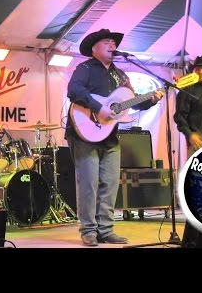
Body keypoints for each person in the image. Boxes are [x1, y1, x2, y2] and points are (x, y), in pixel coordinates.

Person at [65, 28, 163, 246]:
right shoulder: (85, 68)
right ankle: (89, 231)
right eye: (107, 42)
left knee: (110, 184)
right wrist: (99, 108)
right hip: (84, 133)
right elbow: (74, 90)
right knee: (88, 184)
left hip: (110, 136)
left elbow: (133, 101)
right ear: (94, 48)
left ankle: (106, 230)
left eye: (114, 43)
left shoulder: (121, 75)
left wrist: (153, 99)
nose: (113, 46)